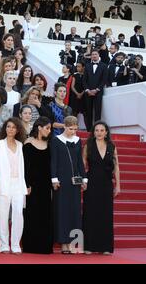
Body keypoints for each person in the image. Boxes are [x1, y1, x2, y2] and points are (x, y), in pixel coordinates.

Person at [83, 121, 121, 255]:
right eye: (96, 130)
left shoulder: (112, 146)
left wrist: (118, 185)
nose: (99, 133)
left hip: (106, 183)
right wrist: (83, 181)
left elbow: (116, 166)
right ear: (93, 132)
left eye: (102, 130)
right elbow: (83, 164)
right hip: (91, 182)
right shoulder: (89, 145)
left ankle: (106, 247)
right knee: (90, 213)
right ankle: (88, 246)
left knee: (105, 214)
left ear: (106, 132)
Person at [50, 116, 87, 254]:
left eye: (76, 129)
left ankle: (74, 242)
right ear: (64, 126)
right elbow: (53, 161)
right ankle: (63, 243)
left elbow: (79, 162)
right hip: (62, 181)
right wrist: (54, 179)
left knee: (74, 211)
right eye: (71, 129)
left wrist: (84, 179)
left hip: (75, 181)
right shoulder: (56, 140)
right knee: (62, 211)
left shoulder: (78, 141)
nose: (73, 131)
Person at [0, 118, 27, 254]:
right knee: (2, 215)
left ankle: (15, 244)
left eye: (13, 127)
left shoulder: (20, 145)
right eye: (8, 127)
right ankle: (3, 245)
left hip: (18, 183)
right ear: (5, 128)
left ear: (18, 130)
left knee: (18, 214)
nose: (10, 129)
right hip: (3, 183)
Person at [21, 117, 53, 254]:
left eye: (50, 128)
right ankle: (30, 245)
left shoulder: (49, 144)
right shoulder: (28, 142)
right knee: (31, 214)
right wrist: (26, 184)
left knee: (45, 214)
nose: (49, 131)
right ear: (39, 127)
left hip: (46, 185)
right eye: (47, 128)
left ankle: (44, 246)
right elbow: (25, 166)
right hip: (32, 186)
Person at [83, 50, 107, 131]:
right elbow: (84, 80)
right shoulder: (87, 65)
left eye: (95, 54)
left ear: (98, 55)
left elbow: (104, 80)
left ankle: (97, 129)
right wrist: (87, 90)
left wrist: (97, 90)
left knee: (98, 112)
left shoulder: (104, 66)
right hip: (88, 93)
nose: (94, 56)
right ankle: (89, 130)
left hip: (98, 92)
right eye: (92, 54)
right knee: (88, 111)